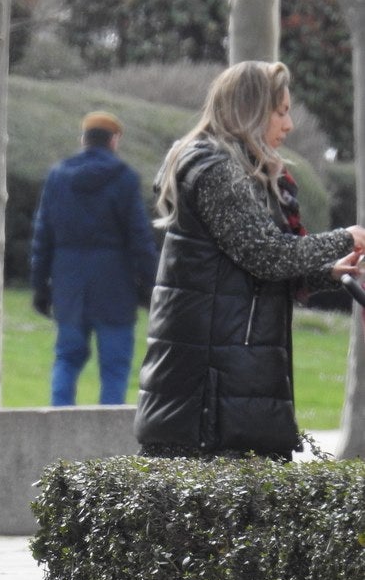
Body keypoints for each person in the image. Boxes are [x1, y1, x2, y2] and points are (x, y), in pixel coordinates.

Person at [135, 60, 365, 460]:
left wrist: (329, 272)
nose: (289, 125)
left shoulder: (237, 170)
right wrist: (346, 237)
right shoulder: (215, 171)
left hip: (225, 381)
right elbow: (267, 254)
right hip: (209, 394)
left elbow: (253, 266)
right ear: (250, 111)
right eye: (280, 112)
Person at [30, 111, 158, 406]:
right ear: (114, 141)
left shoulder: (58, 177)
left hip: (69, 286)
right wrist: (150, 285)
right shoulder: (125, 179)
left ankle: (59, 434)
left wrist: (40, 287)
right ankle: (109, 448)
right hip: (115, 288)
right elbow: (140, 239)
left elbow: (42, 236)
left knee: (66, 359)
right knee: (114, 370)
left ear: (83, 139)